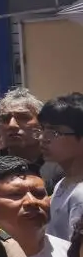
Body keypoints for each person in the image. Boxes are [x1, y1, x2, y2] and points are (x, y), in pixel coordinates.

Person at [40, 92, 83, 241]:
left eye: (54, 132)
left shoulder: (80, 193)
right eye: (43, 129)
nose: (43, 138)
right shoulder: (63, 183)